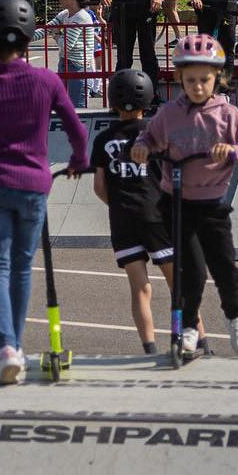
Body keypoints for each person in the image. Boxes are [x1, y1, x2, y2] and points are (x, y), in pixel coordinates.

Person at [0, 0, 89, 384]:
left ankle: (7, 347)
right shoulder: (47, 80)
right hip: (35, 185)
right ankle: (15, 344)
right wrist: (77, 162)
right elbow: (77, 130)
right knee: (22, 266)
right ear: (29, 37)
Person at [131, 35, 238, 358]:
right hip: (176, 203)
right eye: (190, 81)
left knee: (225, 268)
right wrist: (143, 147)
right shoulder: (169, 114)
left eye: (204, 80)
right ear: (179, 79)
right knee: (190, 272)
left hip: (212, 205)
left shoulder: (227, 115)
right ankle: (189, 327)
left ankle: (235, 317)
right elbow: (148, 136)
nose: (198, 87)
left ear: (217, 77)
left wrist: (233, 150)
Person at [92, 69, 206, 356]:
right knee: (177, 284)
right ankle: (201, 341)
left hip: (123, 219)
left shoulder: (103, 139)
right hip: (157, 216)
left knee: (140, 288)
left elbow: (99, 187)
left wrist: (117, 205)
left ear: (112, 101)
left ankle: (150, 348)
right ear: (148, 100)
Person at [32, 0, 97, 108]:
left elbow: (66, 46)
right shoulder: (65, 14)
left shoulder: (81, 17)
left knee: (77, 109)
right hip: (66, 63)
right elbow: (46, 29)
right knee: (64, 106)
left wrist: (56, 35)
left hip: (79, 68)